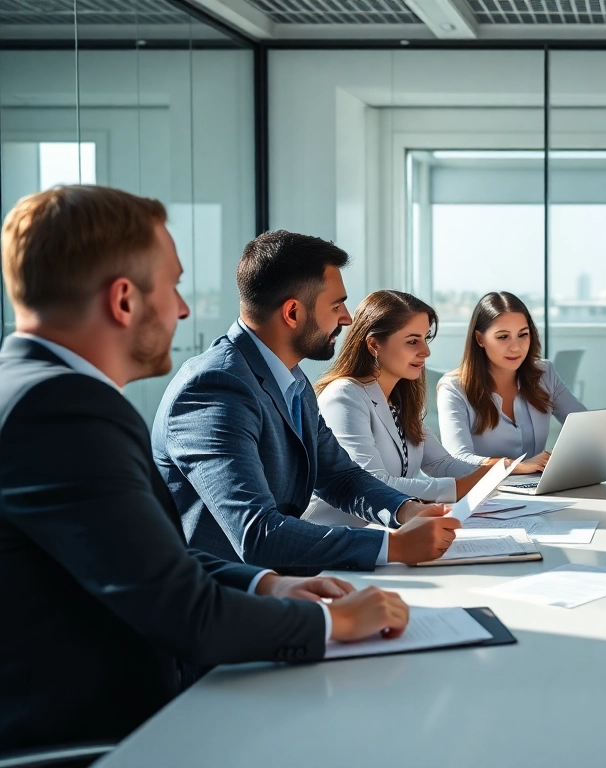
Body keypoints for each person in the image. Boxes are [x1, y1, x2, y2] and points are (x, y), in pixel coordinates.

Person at [0, 187, 409, 753]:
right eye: (173, 285)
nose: (184, 309)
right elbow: (181, 608)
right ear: (123, 300)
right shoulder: (61, 409)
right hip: (116, 732)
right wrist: (334, 625)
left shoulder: (43, 393)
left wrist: (271, 583)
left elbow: (149, 561)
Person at [153, 231, 462, 574]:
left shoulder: (292, 379)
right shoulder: (215, 388)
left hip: (284, 583)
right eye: (336, 305)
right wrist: (394, 546)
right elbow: (258, 534)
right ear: (292, 312)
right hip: (223, 601)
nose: (346, 318)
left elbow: (340, 476)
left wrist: (406, 510)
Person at [310, 290, 494, 527]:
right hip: (331, 540)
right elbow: (372, 482)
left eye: (425, 338)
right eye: (412, 341)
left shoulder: (399, 398)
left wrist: (499, 470)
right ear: (374, 345)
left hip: (386, 534)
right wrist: (459, 488)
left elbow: (440, 464)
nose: (425, 351)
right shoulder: (344, 395)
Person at [436, 291, 585, 474]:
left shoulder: (544, 374)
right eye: (503, 337)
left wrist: (558, 456)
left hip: (537, 490)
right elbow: (457, 459)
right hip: (481, 495)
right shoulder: (453, 389)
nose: (516, 347)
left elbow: (585, 426)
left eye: (523, 334)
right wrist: (515, 466)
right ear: (479, 339)